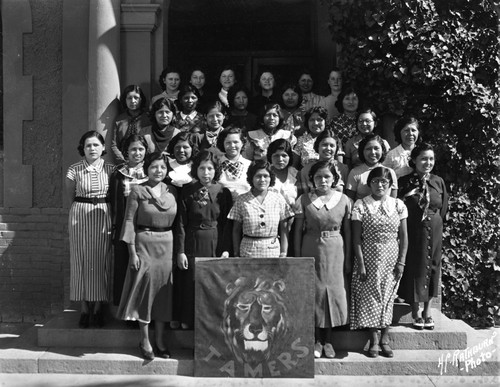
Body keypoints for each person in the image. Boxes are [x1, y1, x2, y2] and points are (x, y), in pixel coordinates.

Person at [117, 152, 180, 360]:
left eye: (162, 167)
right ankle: (144, 339)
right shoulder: (137, 190)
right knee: (145, 290)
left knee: (164, 292)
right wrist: (132, 252)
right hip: (144, 243)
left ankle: (160, 340)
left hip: (167, 245)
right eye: (154, 167)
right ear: (147, 168)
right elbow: (128, 222)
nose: (158, 171)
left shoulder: (172, 191)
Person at [294, 160, 352, 359]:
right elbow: (297, 232)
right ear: (311, 180)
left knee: (333, 292)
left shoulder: (343, 199)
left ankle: (329, 341)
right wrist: (298, 257)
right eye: (318, 177)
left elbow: (348, 231)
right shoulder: (304, 200)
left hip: (336, 249)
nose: (323, 180)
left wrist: (349, 258)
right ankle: (316, 340)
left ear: (334, 178)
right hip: (311, 246)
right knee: (315, 291)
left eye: (327, 176)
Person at [350, 166, 408, 358]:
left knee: (388, 296)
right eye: (375, 181)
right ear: (369, 184)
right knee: (371, 296)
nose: (380, 185)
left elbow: (404, 237)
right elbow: (357, 238)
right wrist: (361, 263)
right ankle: (374, 339)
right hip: (369, 255)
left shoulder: (398, 205)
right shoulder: (361, 204)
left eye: (384, 182)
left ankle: (385, 337)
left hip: (392, 257)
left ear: (391, 184)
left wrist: (401, 262)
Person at [176, 150, 233, 329]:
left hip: (215, 240)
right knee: (191, 281)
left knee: (212, 283)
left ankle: (211, 324)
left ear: (215, 170)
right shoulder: (186, 191)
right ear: (196, 169)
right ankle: (189, 320)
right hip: (193, 240)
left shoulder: (223, 192)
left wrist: (225, 248)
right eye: (202, 168)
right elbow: (180, 223)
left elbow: (226, 223)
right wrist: (181, 251)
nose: (205, 172)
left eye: (209, 168)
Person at [65, 130, 114, 328]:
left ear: (103, 148)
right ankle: (85, 308)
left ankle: (99, 308)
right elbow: (71, 194)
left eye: (96, 145)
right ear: (82, 149)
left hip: (103, 214)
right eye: (88, 145)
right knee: (81, 259)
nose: (92, 149)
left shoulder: (111, 169)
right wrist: (82, 207)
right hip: (80, 215)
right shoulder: (74, 169)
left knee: (102, 260)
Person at [398, 143, 448, 330]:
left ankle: (428, 311)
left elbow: (443, 208)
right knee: (415, 265)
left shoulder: (438, 181)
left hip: (434, 228)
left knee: (432, 266)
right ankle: (415, 311)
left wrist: (435, 223)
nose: (428, 162)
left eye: (431, 159)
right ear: (414, 160)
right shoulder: (404, 181)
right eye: (424, 159)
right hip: (412, 228)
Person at [109, 135, 149, 306]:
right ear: (126, 152)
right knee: (125, 267)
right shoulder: (119, 174)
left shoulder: (153, 171)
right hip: (126, 227)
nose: (137, 153)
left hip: (147, 228)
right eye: (133, 149)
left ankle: (143, 309)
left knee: (145, 269)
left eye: (140, 149)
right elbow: (115, 203)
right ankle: (126, 310)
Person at [228, 160, 294, 258]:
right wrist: (236, 253)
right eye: (258, 176)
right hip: (248, 251)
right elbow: (236, 230)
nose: (262, 180)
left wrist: (283, 252)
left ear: (270, 178)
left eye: (265, 176)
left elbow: (284, 228)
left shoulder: (278, 198)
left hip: (272, 251)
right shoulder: (241, 200)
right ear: (251, 178)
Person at [345, 133, 398, 201]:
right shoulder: (355, 173)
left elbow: (393, 200)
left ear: (382, 150)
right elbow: (350, 201)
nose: (373, 152)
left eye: (376, 148)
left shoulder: (390, 172)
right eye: (368, 149)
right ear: (362, 151)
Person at [298, 129, 348, 195]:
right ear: (317, 146)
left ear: (336, 148)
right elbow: (305, 195)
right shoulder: (306, 170)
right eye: (324, 145)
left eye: (332, 145)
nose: (328, 148)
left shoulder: (343, 169)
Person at [111, 85, 150, 164]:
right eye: (129, 98)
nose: (133, 101)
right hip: (123, 163)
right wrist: (124, 162)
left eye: (136, 98)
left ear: (141, 99)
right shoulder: (119, 120)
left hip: (144, 162)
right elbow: (114, 145)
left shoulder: (148, 119)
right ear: (125, 100)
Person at [215, 127, 252, 200]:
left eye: (236, 142)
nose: (232, 146)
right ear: (223, 144)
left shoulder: (250, 165)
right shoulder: (215, 165)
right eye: (228, 142)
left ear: (242, 143)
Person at [327, 84, 361, 154]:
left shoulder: (363, 121)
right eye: (347, 99)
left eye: (354, 99)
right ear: (341, 101)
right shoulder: (334, 122)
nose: (351, 102)